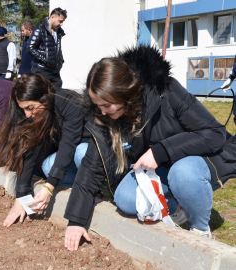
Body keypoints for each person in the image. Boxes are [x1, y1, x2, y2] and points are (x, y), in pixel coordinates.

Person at [63, 45, 236, 251]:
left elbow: (214, 134)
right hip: (163, 164)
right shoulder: (107, 114)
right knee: (125, 198)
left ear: (124, 94)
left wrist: (161, 150)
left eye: (106, 105)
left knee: (183, 173)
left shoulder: (166, 91)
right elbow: (91, 167)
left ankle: (200, 229)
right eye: (97, 105)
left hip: (201, 159)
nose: (101, 111)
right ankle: (176, 207)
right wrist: (76, 220)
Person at [0, 72, 90, 227]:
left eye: (30, 108)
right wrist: (21, 197)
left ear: (45, 97)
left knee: (81, 153)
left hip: (88, 152)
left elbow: (68, 145)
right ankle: (75, 187)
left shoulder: (68, 102)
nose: (27, 114)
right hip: (70, 156)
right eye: (23, 109)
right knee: (47, 166)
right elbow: (28, 151)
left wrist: (49, 188)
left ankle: (94, 188)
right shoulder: (38, 114)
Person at [27, 8, 66, 88]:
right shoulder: (40, 30)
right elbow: (30, 48)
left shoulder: (58, 32)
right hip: (41, 70)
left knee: (57, 94)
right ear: (52, 17)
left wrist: (60, 60)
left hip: (54, 71)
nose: (61, 24)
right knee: (41, 96)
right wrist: (46, 59)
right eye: (60, 21)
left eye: (62, 21)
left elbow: (57, 49)